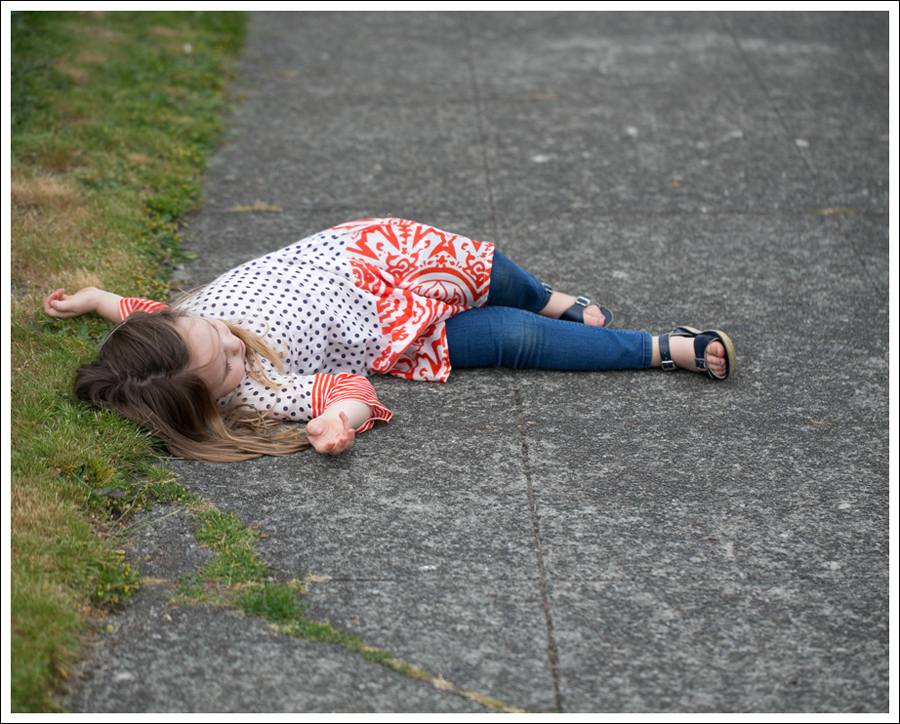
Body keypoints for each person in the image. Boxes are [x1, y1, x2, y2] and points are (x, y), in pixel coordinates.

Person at [43, 218, 735, 463]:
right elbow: (346, 389)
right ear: (208, 400)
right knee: (513, 340)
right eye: (222, 367)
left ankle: (555, 297)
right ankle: (660, 348)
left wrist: (99, 299)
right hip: (393, 334)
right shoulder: (258, 389)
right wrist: (337, 422)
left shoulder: (184, 323)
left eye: (211, 331)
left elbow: (145, 310)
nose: (230, 345)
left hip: (370, 257)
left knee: (491, 272)